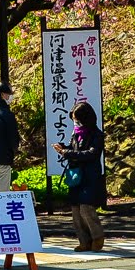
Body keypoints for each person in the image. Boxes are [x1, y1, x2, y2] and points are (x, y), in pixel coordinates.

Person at [52, 101, 106, 252]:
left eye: (77, 119)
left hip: (90, 175)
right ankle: (84, 241)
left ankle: (97, 237)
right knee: (75, 210)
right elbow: (74, 148)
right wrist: (64, 148)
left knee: (86, 208)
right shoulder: (76, 133)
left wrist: (67, 153)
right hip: (76, 175)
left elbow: (92, 154)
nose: (76, 122)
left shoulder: (97, 135)